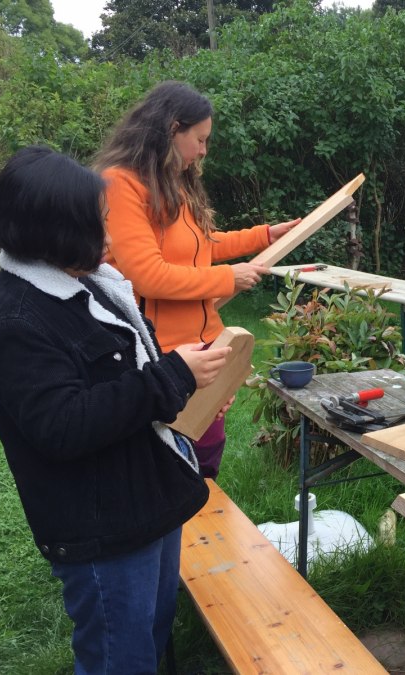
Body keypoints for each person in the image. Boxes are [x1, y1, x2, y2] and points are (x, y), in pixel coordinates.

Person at [0, 146, 231, 673]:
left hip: (145, 499)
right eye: (98, 224)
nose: (111, 238)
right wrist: (174, 377)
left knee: (149, 633)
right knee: (119, 657)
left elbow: (132, 374)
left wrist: (194, 388)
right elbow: (63, 426)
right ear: (53, 231)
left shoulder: (88, 283)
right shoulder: (15, 323)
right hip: (103, 527)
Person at [93, 80, 301, 479]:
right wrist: (228, 278)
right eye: (200, 139)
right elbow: (147, 276)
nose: (204, 150)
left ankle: (205, 518)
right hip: (158, 354)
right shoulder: (122, 184)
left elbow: (201, 245)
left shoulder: (174, 182)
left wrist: (264, 235)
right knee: (168, 463)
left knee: (205, 454)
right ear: (173, 129)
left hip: (204, 346)